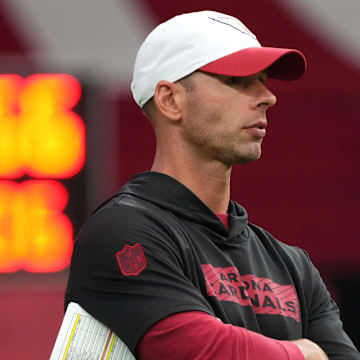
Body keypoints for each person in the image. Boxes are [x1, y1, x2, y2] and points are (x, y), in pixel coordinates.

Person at [65, 10, 360, 360]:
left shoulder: (293, 264)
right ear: (170, 100)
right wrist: (303, 354)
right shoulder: (119, 232)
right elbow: (199, 351)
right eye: (237, 81)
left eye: (264, 80)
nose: (268, 97)